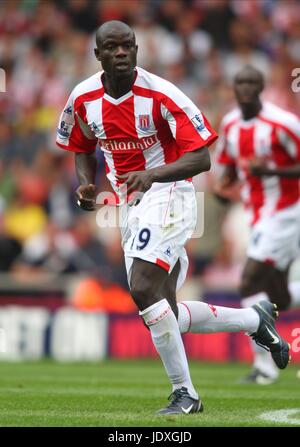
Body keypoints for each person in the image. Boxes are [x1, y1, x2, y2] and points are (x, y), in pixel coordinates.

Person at [56, 22, 290, 414]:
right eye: (111, 47)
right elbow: (81, 144)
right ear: (97, 55)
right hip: (130, 204)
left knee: (143, 288)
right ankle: (254, 320)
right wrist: (85, 184)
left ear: (136, 49)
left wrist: (152, 174)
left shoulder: (162, 94)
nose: (120, 53)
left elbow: (202, 157)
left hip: (170, 192)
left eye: (127, 45)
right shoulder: (82, 98)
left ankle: (187, 394)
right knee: (165, 311)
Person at [214, 65, 300, 384]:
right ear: (234, 88)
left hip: (287, 212)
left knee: (249, 282)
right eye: (241, 81)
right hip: (257, 214)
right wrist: (222, 188)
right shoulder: (231, 124)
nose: (246, 87)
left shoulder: (283, 124)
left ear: (262, 87)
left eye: (252, 82)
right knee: (278, 295)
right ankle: (265, 360)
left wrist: (272, 172)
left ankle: (264, 367)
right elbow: (230, 170)